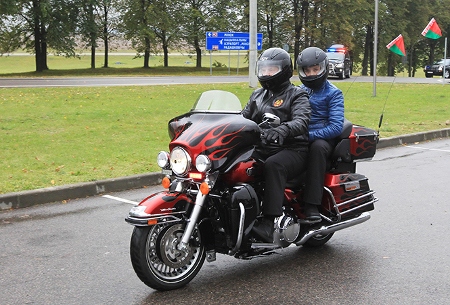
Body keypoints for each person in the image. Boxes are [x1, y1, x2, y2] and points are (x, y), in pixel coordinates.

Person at [242, 47, 311, 242]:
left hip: (293, 149)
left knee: (274, 165)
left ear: (285, 70)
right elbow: (243, 118)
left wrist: (284, 129)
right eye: (264, 69)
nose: (267, 73)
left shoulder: (297, 94)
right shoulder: (257, 95)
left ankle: (268, 222)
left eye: (272, 70)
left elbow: (301, 120)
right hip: (263, 147)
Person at [296, 46, 344, 222]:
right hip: (300, 135)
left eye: (315, 69)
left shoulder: (333, 93)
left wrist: (309, 136)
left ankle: (312, 205)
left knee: (317, 149)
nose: (311, 74)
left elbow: (336, 126)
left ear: (323, 67)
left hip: (324, 139)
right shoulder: (299, 90)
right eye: (307, 70)